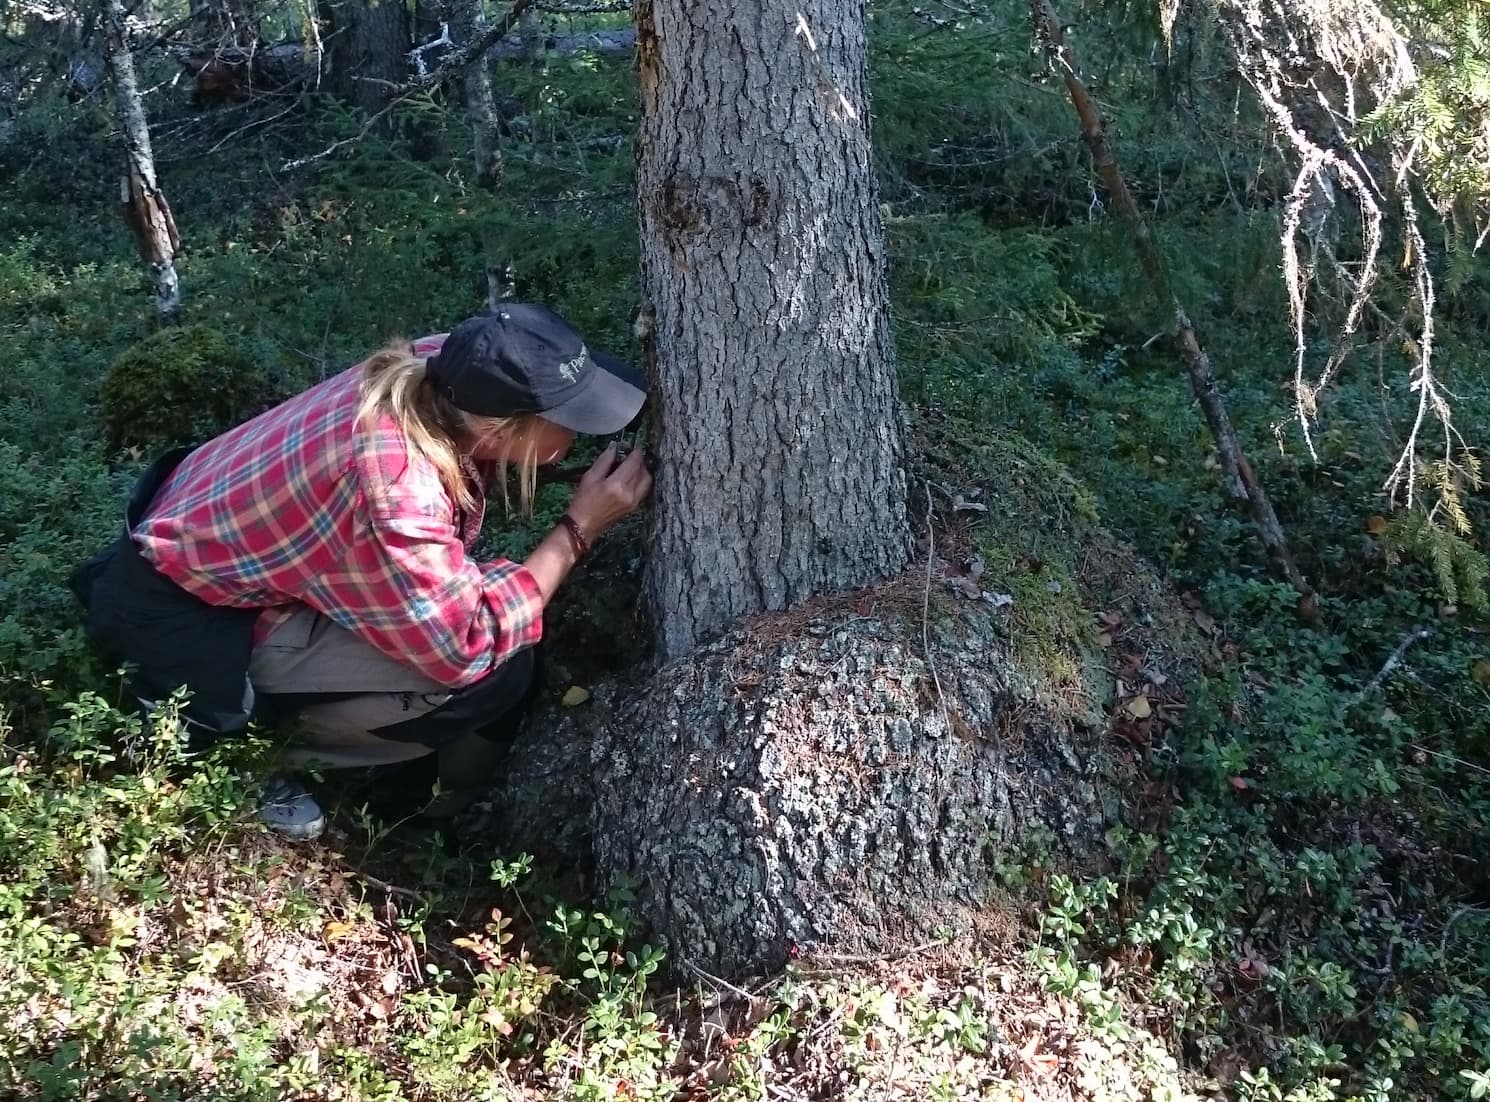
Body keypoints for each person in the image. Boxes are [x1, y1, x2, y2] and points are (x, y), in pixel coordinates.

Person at [70, 304, 653, 840]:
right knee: (494, 675)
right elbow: (467, 642)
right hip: (188, 619)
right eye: (568, 420)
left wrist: (542, 466)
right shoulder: (397, 490)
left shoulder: (436, 365)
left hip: (192, 537)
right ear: (501, 429)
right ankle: (267, 754)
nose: (582, 430)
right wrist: (577, 530)